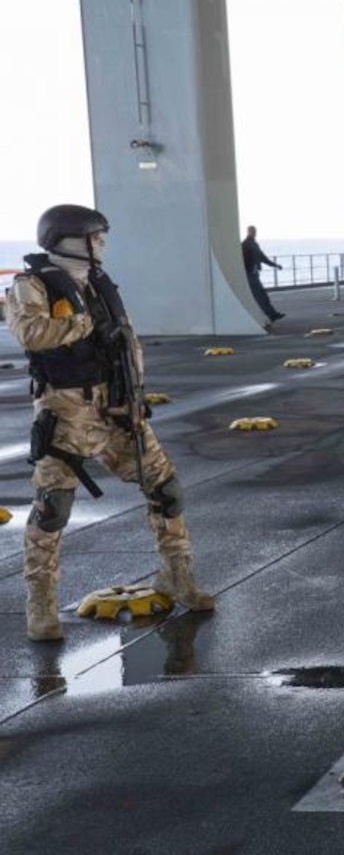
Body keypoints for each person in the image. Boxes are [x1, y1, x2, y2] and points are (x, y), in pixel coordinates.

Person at [7, 205, 215, 642]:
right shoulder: (32, 285)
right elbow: (31, 334)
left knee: (166, 490)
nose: (101, 242)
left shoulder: (100, 285)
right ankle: (40, 604)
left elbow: (126, 344)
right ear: (67, 238)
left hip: (118, 407)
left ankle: (176, 576)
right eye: (94, 235)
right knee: (52, 509)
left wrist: (134, 396)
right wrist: (82, 325)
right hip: (67, 412)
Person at [241, 225, 285, 323]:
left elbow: (262, 257)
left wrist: (275, 265)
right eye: (252, 231)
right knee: (259, 296)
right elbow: (242, 260)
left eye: (254, 231)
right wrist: (250, 268)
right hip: (249, 274)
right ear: (248, 232)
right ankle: (269, 315)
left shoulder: (254, 244)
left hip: (254, 274)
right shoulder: (245, 244)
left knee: (262, 295)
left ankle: (272, 314)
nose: (254, 233)